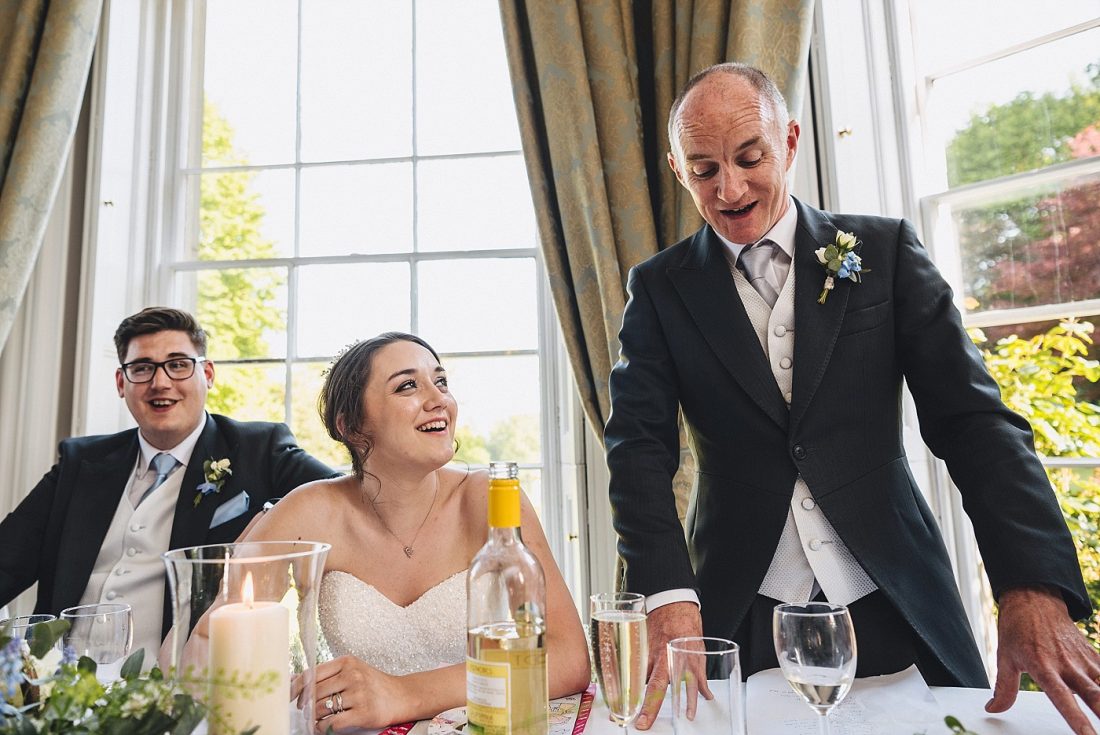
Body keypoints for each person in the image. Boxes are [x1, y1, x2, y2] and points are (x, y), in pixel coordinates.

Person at [604, 62, 1100, 733]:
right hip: (738, 613)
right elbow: (637, 449)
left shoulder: (883, 251)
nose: (730, 187)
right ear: (676, 167)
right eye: (703, 169)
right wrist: (668, 592)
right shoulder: (659, 290)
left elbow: (975, 421)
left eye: (750, 157)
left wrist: (1030, 582)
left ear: (790, 141)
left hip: (895, 596)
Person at [241, 332, 590, 730]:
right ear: (351, 426)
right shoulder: (311, 511)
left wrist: (402, 693)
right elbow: (207, 647)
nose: (439, 399)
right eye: (408, 385)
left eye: (441, 382)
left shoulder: (489, 498)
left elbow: (569, 659)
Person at [0, 307, 337, 663]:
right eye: (142, 368)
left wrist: (269, 521)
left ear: (207, 374)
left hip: (181, 688)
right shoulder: (80, 463)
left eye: (178, 364)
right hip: (62, 690)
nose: (160, 383)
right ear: (121, 383)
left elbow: (338, 493)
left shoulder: (259, 447)